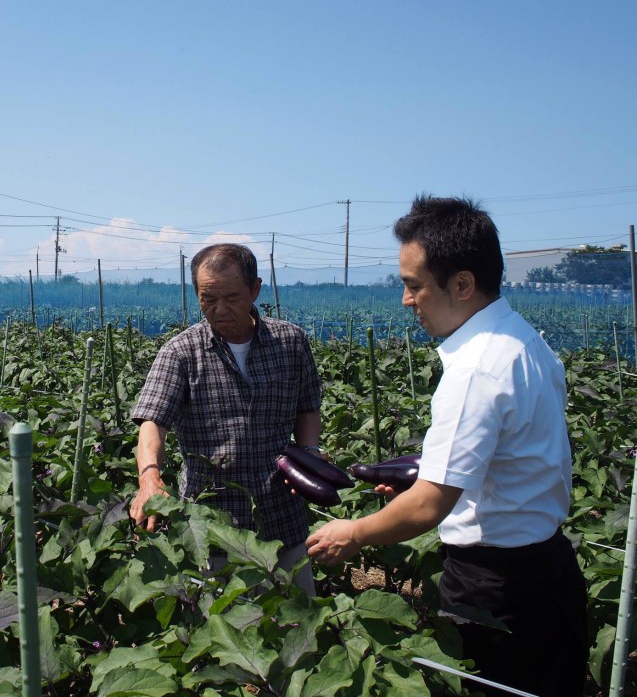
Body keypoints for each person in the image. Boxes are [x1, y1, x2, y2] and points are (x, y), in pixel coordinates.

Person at [306, 195, 587, 697]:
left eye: (415, 286)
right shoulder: (525, 340)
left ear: (462, 284)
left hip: (496, 590)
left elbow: (432, 502)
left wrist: (353, 533)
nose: (406, 300)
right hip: (550, 571)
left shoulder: (476, 369)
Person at [130, 243, 322, 593]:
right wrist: (149, 476)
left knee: (298, 622)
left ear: (255, 289)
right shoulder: (181, 353)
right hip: (212, 526)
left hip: (283, 519)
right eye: (208, 299)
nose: (219, 310)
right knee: (222, 630)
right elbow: (152, 422)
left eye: (232, 298)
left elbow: (307, 406)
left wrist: (309, 453)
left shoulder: (291, 343)